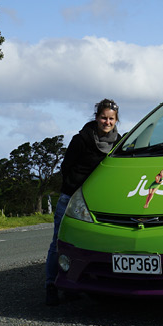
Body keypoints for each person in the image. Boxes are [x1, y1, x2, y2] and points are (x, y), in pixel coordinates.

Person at [45, 98, 120, 306]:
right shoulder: (81, 139)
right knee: (59, 243)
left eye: (111, 119)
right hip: (71, 198)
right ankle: (51, 285)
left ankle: (75, 284)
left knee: (85, 245)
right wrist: (75, 186)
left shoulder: (118, 143)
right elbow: (66, 166)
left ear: (116, 120)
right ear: (96, 118)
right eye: (104, 118)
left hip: (98, 202)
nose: (107, 122)